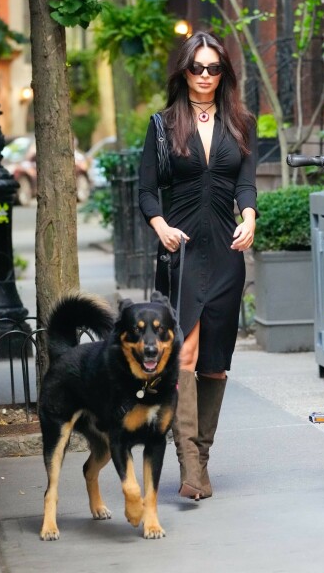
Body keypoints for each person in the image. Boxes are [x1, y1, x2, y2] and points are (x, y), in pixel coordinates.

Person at [138, 31, 258, 500]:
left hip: (226, 254)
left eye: (213, 68)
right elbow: (147, 189)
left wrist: (249, 217)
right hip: (182, 250)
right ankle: (190, 465)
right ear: (183, 71)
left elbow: (246, 184)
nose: (204, 76)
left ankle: (201, 460)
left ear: (223, 72)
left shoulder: (241, 123)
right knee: (184, 355)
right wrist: (160, 225)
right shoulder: (163, 124)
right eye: (196, 68)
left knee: (215, 365)